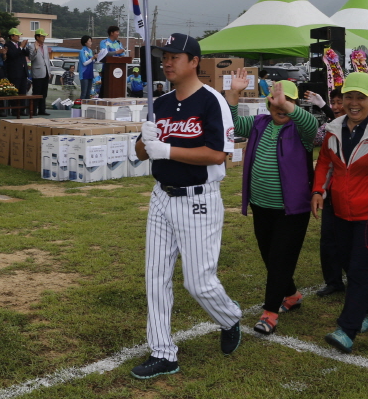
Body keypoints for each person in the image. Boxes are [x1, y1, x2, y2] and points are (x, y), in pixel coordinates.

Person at [130, 33, 241, 380]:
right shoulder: (160, 103)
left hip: (198, 198)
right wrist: (145, 140)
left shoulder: (212, 101)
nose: (167, 62)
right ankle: (163, 352)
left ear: (194, 62)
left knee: (198, 282)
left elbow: (218, 154)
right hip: (162, 196)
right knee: (155, 277)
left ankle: (229, 317)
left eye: (174, 57)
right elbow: (140, 153)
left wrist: (167, 150)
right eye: (164, 56)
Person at [311, 72, 368, 354]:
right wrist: (318, 191)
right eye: (348, 97)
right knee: (348, 265)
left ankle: (347, 328)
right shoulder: (333, 128)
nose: (353, 103)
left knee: (360, 270)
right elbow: (325, 162)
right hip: (337, 211)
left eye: (361, 97)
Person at [227, 72, 317, 334]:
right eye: (275, 101)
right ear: (267, 104)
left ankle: (270, 312)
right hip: (261, 205)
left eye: (288, 101)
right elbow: (232, 124)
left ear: (295, 105)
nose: (280, 106)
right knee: (270, 255)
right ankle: (291, 295)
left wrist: (286, 104)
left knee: (279, 259)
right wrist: (234, 93)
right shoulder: (259, 123)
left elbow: (311, 123)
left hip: (292, 209)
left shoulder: (301, 129)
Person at [305, 87, 348, 296]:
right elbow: (318, 149)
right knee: (328, 238)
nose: (337, 107)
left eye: (341, 102)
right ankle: (333, 281)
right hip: (331, 192)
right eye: (334, 102)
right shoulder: (330, 128)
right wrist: (318, 191)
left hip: (357, 194)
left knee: (355, 240)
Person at [26, 28, 53, 115]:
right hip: (37, 73)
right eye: (42, 36)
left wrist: (49, 71)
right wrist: (36, 50)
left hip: (45, 72)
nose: (44, 38)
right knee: (36, 92)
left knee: (44, 93)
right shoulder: (31, 46)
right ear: (37, 37)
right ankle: (33, 110)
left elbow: (47, 60)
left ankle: (42, 110)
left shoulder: (45, 46)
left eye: (44, 36)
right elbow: (31, 58)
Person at [4, 28, 30, 95]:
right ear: (12, 36)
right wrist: (20, 47)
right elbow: (12, 55)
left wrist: (24, 47)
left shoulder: (20, 44)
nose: (19, 37)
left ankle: (23, 102)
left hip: (23, 72)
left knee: (23, 92)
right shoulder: (8, 45)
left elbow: (27, 53)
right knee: (15, 92)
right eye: (17, 35)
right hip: (14, 73)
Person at [78, 35, 95, 100]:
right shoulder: (82, 51)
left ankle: (87, 105)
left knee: (88, 93)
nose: (91, 43)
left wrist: (96, 58)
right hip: (84, 74)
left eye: (91, 41)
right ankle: (81, 105)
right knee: (84, 93)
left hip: (90, 73)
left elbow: (92, 61)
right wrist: (93, 58)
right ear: (85, 42)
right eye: (89, 41)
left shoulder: (90, 51)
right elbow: (84, 63)